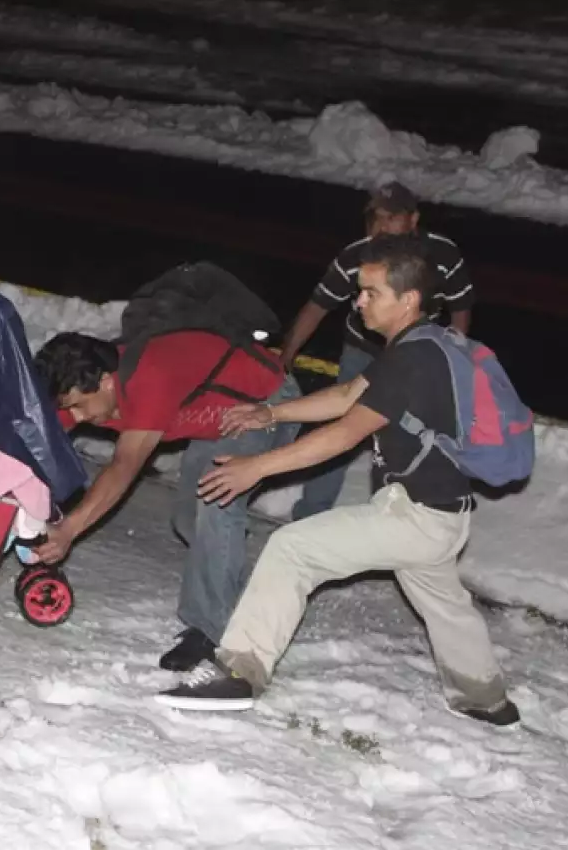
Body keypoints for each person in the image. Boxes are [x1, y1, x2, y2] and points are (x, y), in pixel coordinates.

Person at [157, 234, 519, 727]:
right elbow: (348, 395)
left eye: (371, 292)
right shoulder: (425, 342)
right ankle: (485, 699)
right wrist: (271, 413)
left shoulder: (412, 360)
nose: (358, 301)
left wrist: (257, 466)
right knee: (446, 604)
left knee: (292, 549)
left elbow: (346, 433)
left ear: (408, 299)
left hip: (417, 516)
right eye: (359, 290)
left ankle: (240, 671)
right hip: (441, 512)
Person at [32, 328, 302, 672]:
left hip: (269, 402)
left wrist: (68, 529)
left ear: (106, 382)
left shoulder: (151, 377)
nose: (78, 417)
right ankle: (231, 574)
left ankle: (210, 631)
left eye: (78, 406)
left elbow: (124, 466)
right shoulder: (84, 384)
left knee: (216, 501)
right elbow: (37, 443)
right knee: (189, 521)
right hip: (216, 415)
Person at [277, 181, 476, 520]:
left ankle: (406, 517)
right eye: (375, 218)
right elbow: (317, 306)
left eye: (391, 218)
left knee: (414, 435)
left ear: (413, 219)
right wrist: (285, 356)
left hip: (417, 357)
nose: (381, 227)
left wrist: (455, 353)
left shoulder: (442, 254)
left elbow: (461, 305)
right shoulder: (356, 257)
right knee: (342, 426)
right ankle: (310, 513)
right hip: (363, 349)